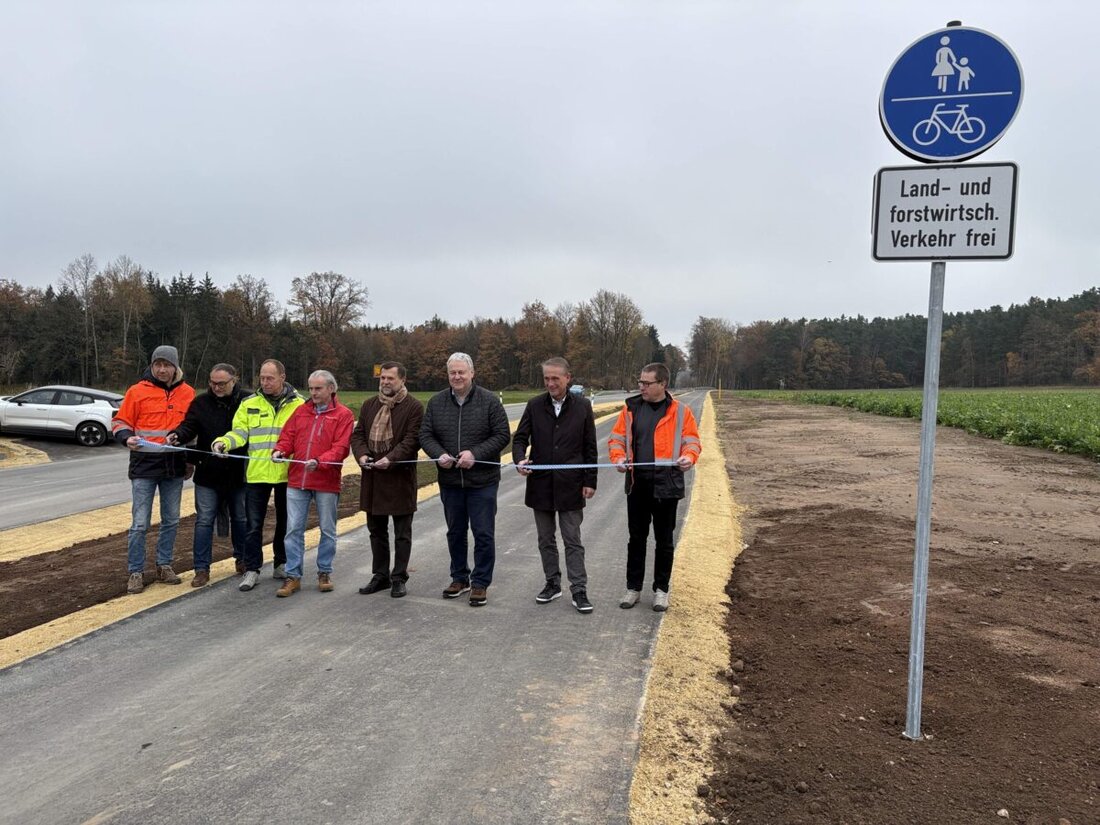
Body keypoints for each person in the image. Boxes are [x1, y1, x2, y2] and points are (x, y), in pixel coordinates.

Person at [419, 352, 510, 607]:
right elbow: (425, 435)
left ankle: (480, 582)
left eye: (461, 372)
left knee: (483, 533)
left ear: (472, 373)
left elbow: (502, 435)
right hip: (450, 481)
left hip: (482, 481)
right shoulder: (436, 402)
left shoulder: (489, 401)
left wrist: (475, 454)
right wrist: (438, 454)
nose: (457, 377)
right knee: (455, 532)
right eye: (453, 373)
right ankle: (459, 578)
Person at [608, 362, 701, 612]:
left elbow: (692, 441)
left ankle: (661, 590)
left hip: (667, 486)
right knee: (636, 538)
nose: (642, 387)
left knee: (664, 541)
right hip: (638, 485)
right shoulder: (630, 410)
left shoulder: (681, 412)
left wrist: (689, 457)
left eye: (647, 383)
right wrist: (618, 458)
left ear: (663, 384)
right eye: (640, 382)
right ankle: (633, 588)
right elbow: (616, 439)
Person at [513, 357, 598, 614]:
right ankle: (552, 583)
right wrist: (519, 459)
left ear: (567, 378)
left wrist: (590, 480)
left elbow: (590, 447)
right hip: (540, 486)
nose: (550, 383)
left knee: (572, 539)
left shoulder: (583, 407)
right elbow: (520, 439)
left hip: (571, 485)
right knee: (545, 539)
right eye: (546, 378)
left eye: (555, 379)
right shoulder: (534, 405)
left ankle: (579, 589)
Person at [212, 359, 304, 592]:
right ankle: (252, 569)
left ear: (282, 377)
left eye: (270, 378)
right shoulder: (249, 403)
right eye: (262, 378)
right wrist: (223, 443)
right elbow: (239, 432)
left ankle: (281, 563)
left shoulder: (300, 404)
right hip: (257, 474)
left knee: (286, 522)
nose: (265, 382)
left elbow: (304, 438)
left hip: (287, 474)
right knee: (253, 525)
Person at [112, 345, 196, 594]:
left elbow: (192, 430)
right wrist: (126, 437)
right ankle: (136, 571)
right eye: (157, 364)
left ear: (175, 367)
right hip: (144, 466)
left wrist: (190, 461)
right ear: (151, 366)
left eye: (166, 365)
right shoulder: (137, 391)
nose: (161, 370)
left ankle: (164, 565)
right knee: (140, 523)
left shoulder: (188, 393)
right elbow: (120, 421)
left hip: (174, 466)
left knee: (171, 519)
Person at [270, 370, 354, 597]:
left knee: (327, 529)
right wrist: (280, 450)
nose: (313, 393)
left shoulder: (343, 415)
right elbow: (287, 437)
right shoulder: (300, 411)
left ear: (331, 389)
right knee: (293, 529)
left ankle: (324, 572)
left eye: (318, 388)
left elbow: (341, 448)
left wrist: (320, 461)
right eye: (311, 388)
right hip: (298, 480)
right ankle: (292, 575)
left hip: (326, 481)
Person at [167, 363, 250, 587]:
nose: (216, 387)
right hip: (208, 474)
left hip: (238, 474)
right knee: (204, 521)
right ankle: (201, 568)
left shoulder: (248, 401)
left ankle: (243, 559)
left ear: (234, 380)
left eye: (221, 383)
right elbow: (189, 426)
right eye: (212, 383)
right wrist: (177, 435)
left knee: (241, 518)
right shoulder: (201, 402)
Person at [350, 361, 424, 599]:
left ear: (402, 380)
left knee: (402, 533)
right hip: (373, 478)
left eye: (390, 378)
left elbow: (412, 440)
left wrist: (390, 459)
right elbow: (358, 435)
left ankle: (399, 577)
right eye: (382, 378)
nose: (385, 382)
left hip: (400, 478)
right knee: (376, 531)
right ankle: (380, 575)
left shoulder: (413, 407)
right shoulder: (370, 405)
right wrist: (362, 455)